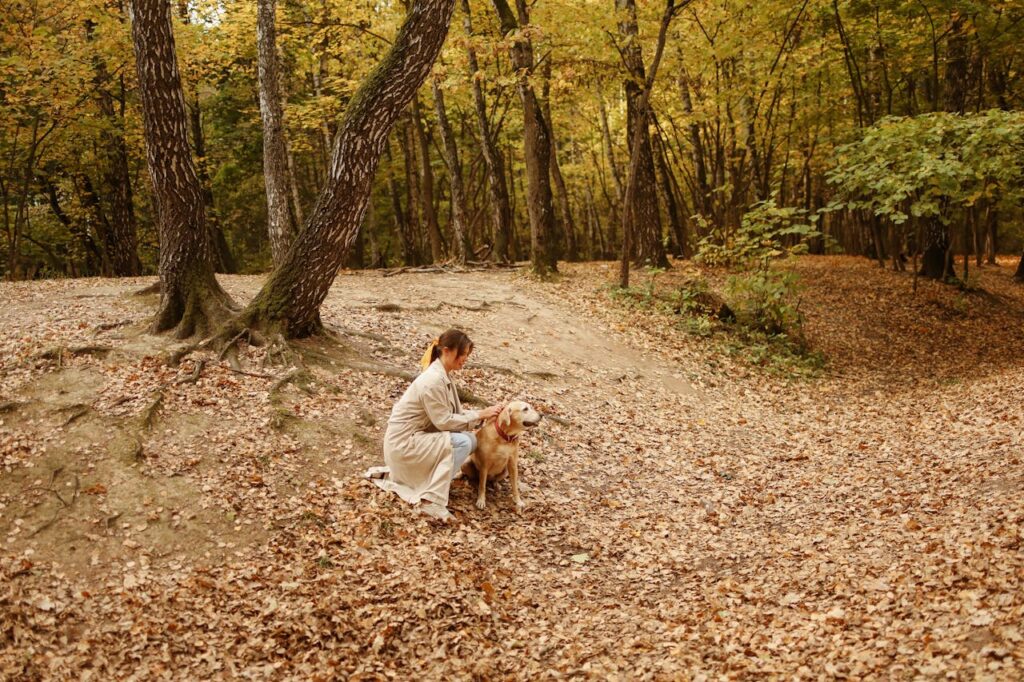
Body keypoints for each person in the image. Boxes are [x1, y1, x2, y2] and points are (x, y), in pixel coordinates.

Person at [369, 329, 503, 521]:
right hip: (404, 445)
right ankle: (431, 501)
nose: (465, 359)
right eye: (462, 354)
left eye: (467, 355)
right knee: (462, 443)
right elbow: (444, 422)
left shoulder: (443, 375)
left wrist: (482, 415)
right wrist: (480, 414)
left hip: (418, 440)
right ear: (446, 351)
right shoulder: (432, 380)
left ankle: (434, 485)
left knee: (471, 440)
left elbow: (452, 416)